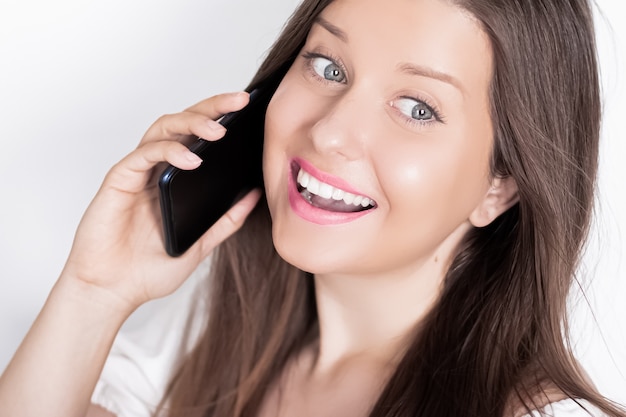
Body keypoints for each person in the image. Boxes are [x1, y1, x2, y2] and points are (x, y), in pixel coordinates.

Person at [0, 0, 624, 416]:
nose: (329, 133)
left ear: (501, 187)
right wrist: (95, 291)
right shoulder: (198, 342)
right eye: (327, 66)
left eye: (417, 108)